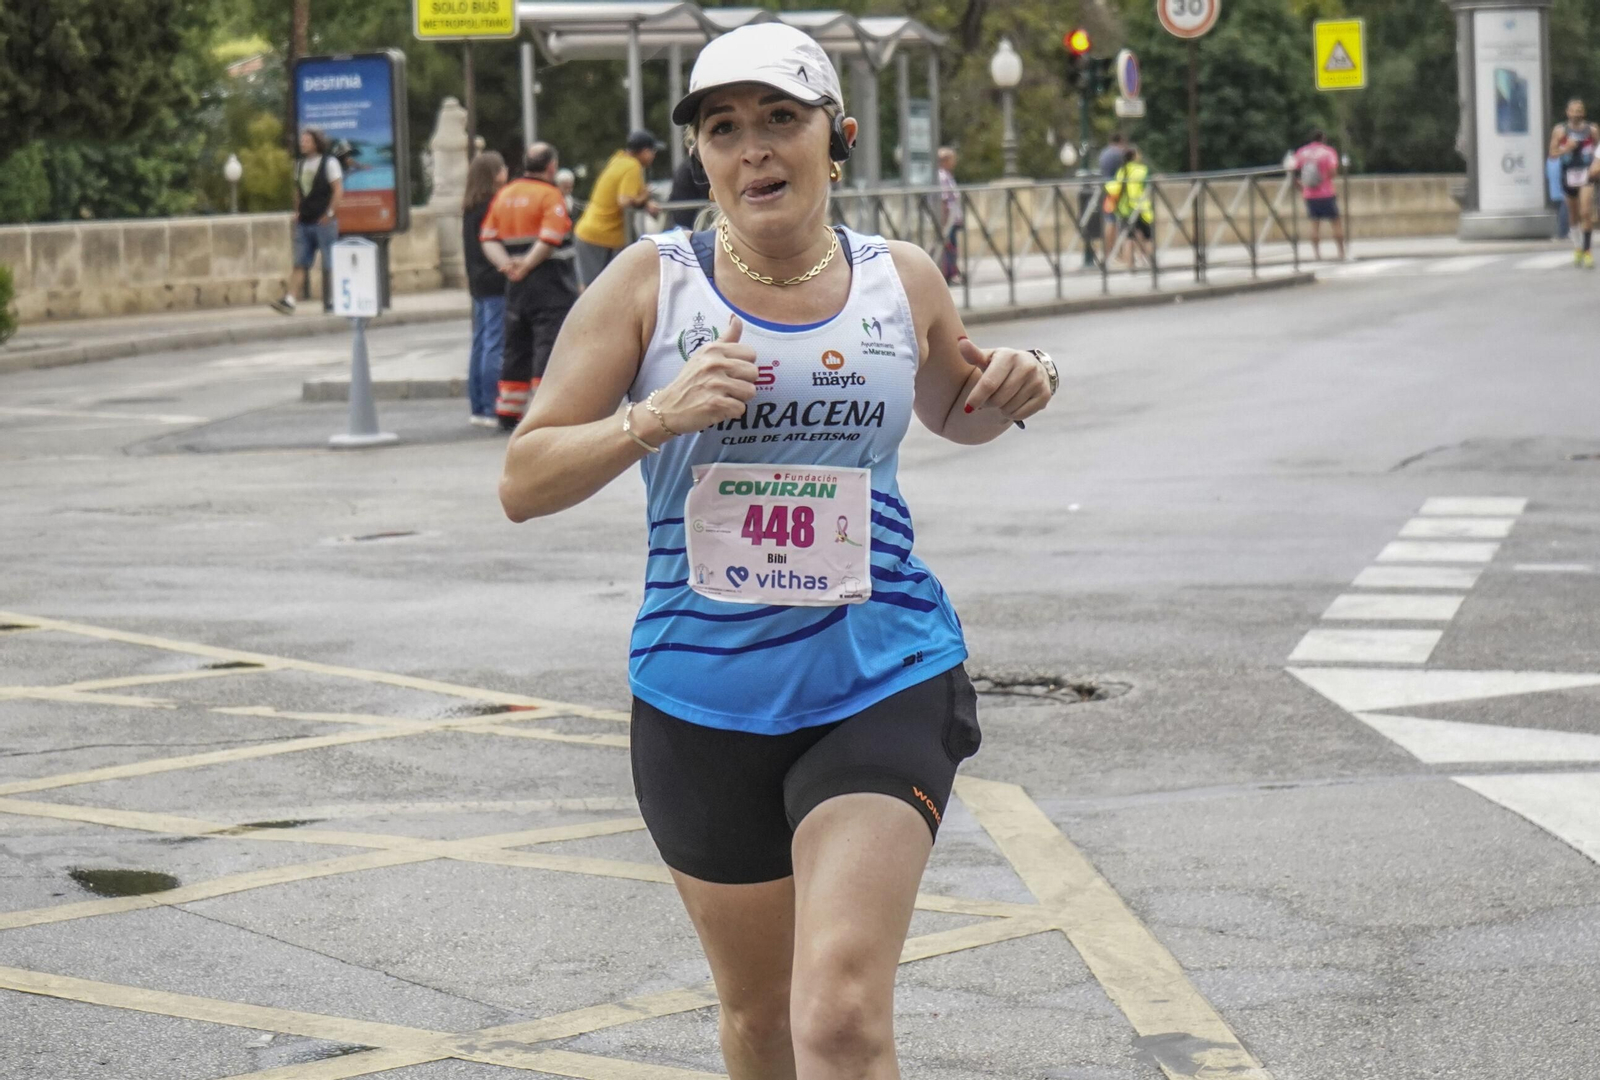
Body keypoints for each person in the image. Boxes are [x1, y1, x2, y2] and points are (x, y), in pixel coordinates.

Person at [498, 22, 1058, 1080]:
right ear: (701, 157)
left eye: (780, 120)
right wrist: (652, 419)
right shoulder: (647, 285)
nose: (754, 148)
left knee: (839, 1017)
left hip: (880, 672)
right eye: (724, 129)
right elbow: (522, 482)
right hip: (701, 697)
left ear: (833, 137)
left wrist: (1026, 381)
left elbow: (961, 409)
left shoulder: (903, 279)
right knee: (758, 1023)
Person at [479, 142, 579, 430]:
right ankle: (543, 410)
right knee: (548, 344)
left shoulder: (505, 194)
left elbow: (487, 237)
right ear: (551, 166)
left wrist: (507, 266)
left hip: (516, 286)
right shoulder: (550, 196)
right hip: (550, 283)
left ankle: (508, 412)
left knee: (516, 346)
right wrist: (527, 264)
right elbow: (550, 238)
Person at [572, 129, 663, 287]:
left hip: (595, 234)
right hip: (599, 236)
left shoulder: (619, 160)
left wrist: (644, 201)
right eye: (652, 151)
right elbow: (624, 200)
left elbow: (626, 193)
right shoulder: (632, 166)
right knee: (596, 291)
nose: (654, 156)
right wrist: (644, 197)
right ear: (644, 151)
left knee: (606, 288)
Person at [269, 128, 343, 315]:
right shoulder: (300, 164)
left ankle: (332, 299)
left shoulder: (330, 163)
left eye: (307, 141)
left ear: (316, 142)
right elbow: (298, 190)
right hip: (305, 220)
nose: (303, 144)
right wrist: (297, 211)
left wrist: (331, 212)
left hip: (323, 221)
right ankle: (290, 300)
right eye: (302, 140)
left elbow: (337, 189)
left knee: (329, 262)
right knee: (300, 262)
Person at [462, 150, 510, 428]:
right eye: (502, 168)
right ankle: (493, 405)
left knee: (480, 342)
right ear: (494, 175)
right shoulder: (493, 205)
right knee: (495, 342)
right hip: (494, 279)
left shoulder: (470, 206)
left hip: (477, 280)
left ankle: (478, 405)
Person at [1551, 99, 1596, 267]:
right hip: (1568, 174)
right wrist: (1566, 148)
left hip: (1586, 174)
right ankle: (1578, 247)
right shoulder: (1560, 130)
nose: (1576, 113)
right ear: (1567, 112)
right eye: (1573, 110)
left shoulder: (1592, 130)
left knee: (1585, 211)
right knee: (1573, 214)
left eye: (1579, 110)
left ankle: (1588, 251)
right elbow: (1552, 153)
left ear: (1583, 112)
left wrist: (1596, 164)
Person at [1291, 129, 1344, 261]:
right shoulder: (1328, 152)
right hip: (1326, 193)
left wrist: (1301, 187)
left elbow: (1292, 171)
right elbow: (1333, 171)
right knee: (1336, 222)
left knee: (1314, 225)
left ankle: (1317, 255)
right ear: (1323, 138)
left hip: (1309, 194)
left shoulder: (1302, 152)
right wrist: (1324, 178)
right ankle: (1341, 253)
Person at [1105, 146, 1153, 268]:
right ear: (1134, 156)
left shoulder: (1121, 171)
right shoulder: (1142, 170)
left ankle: (1130, 264)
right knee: (1147, 236)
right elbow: (1147, 186)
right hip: (1141, 208)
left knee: (1128, 237)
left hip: (1125, 208)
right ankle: (1148, 262)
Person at [936, 147, 963, 284]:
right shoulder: (943, 176)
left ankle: (952, 272)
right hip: (949, 219)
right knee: (949, 246)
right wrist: (945, 221)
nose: (954, 162)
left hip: (952, 219)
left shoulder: (947, 175)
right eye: (952, 159)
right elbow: (944, 200)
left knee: (952, 245)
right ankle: (950, 274)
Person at [1098, 133, 1127, 259]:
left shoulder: (1103, 153)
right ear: (1120, 141)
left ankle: (1108, 252)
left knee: (1110, 220)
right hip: (1115, 190)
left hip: (1106, 188)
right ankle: (1112, 253)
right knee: (1112, 222)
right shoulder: (1118, 154)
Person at [668, 153, 711, 230]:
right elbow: (704, 188)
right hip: (688, 211)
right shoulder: (694, 166)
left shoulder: (689, 164)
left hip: (681, 210)